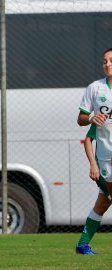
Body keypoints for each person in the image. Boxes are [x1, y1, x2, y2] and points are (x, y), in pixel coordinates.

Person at [76, 47, 112, 255]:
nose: (107, 64)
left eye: (111, 60)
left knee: (102, 204)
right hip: (105, 161)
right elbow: (83, 124)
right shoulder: (95, 89)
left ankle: (82, 245)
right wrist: (93, 164)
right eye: (104, 61)